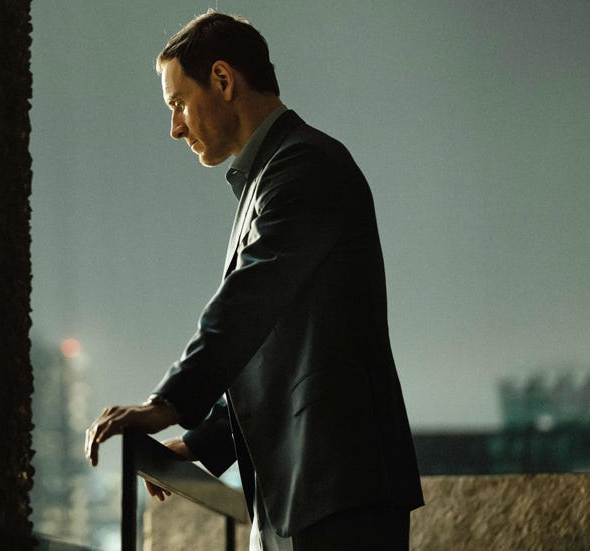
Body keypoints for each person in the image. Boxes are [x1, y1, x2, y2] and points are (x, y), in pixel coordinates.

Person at [83, 11, 424, 551]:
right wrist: (195, 445)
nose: (174, 127)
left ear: (222, 80)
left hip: (338, 492)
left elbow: (247, 304)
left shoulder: (306, 166)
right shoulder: (276, 175)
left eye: (177, 103)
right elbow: (272, 345)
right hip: (310, 493)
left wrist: (166, 403)